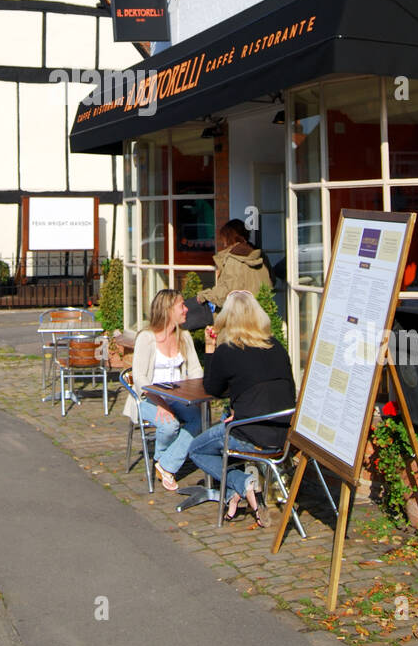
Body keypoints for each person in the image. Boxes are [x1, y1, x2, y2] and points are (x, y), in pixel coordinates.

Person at [188, 290, 295, 526]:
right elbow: (285, 389)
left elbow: (212, 388)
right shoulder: (275, 345)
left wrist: (209, 347)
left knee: (196, 449)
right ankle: (235, 495)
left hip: (252, 432)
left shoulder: (228, 350)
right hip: (284, 433)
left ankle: (242, 484)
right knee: (228, 416)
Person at [123, 288, 204, 491]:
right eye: (182, 305)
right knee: (170, 425)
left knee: (199, 419)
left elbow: (195, 371)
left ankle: (165, 463)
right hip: (148, 397)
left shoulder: (184, 337)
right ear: (168, 310)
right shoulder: (147, 338)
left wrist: (197, 392)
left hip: (179, 396)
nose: (186, 309)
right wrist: (160, 403)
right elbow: (140, 379)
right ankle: (165, 461)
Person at [195, 219, 272, 309]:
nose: (224, 244)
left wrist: (204, 296)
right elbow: (271, 282)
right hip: (261, 312)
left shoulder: (233, 259)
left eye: (223, 239)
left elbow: (226, 293)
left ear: (228, 238)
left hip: (239, 314)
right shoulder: (261, 256)